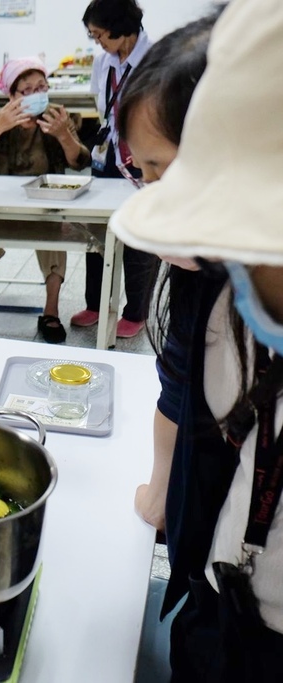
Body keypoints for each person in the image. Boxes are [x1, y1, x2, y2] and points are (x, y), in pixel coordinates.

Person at [109, 0, 283, 677]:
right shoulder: (213, 289)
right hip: (223, 589)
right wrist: (163, 492)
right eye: (143, 174)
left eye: (170, 174)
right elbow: (183, 392)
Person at [112, 11, 220, 532]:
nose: (149, 186)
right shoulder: (192, 250)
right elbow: (176, 379)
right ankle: (162, 497)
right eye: (141, 169)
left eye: (160, 167)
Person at [0, 56, 90, 344]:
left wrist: (64, 135)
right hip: (1, 205)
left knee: (55, 227)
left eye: (41, 87)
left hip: (44, 204)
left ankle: (51, 310)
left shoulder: (56, 117)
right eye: (25, 90)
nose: (34, 95)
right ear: (11, 96)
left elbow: (80, 162)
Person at [72, 0, 156, 339]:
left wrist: (148, 149)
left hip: (143, 157)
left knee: (137, 235)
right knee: (97, 232)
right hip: (109, 155)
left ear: (123, 27)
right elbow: (102, 109)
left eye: (100, 34)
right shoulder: (103, 62)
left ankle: (136, 311)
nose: (97, 42)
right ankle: (96, 303)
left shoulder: (156, 59)